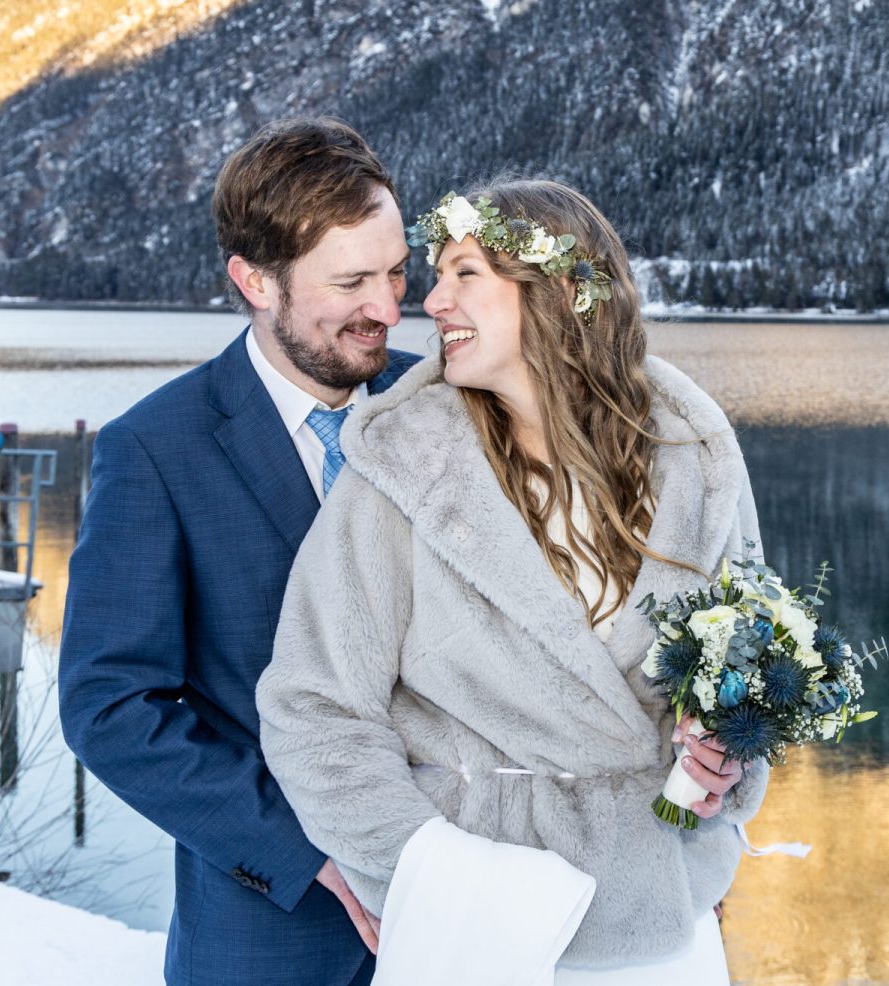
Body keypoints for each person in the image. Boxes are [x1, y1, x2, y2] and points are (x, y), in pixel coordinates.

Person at [256, 178, 767, 980]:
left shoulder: (694, 461)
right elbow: (313, 708)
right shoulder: (403, 470)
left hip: (660, 920)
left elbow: (748, 671)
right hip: (478, 926)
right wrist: (428, 873)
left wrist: (723, 763)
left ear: (558, 288)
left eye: (464, 273)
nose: (429, 301)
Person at [59, 117, 420, 986]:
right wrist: (313, 854)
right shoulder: (155, 448)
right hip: (273, 934)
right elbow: (111, 705)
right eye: (352, 281)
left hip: (471, 921)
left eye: (399, 270)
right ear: (256, 280)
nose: (388, 307)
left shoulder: (446, 405)